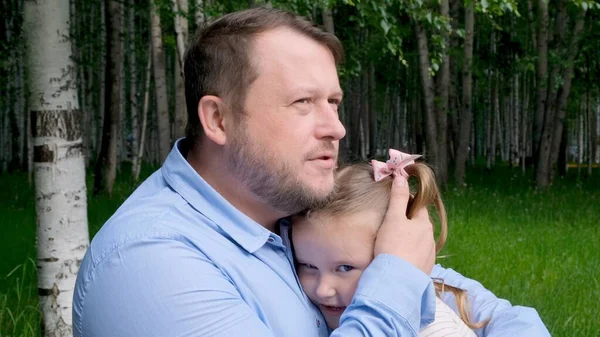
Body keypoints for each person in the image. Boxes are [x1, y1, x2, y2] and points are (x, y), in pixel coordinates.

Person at [72, 7, 550, 337]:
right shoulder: (149, 263)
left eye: (334, 102)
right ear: (218, 119)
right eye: (303, 103)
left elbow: (460, 299)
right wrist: (396, 275)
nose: (336, 128)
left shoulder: (283, 207)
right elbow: (404, 279)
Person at [292, 149, 485, 336]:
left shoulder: (434, 330)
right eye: (308, 266)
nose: (323, 289)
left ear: (404, 256)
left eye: (344, 268)